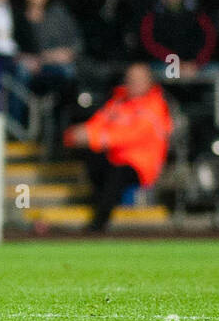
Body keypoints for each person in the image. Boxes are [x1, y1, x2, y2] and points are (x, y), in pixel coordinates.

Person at [63, 63, 172, 231]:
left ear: (149, 82)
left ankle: (99, 223)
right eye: (130, 79)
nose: (133, 84)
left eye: (138, 80)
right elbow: (98, 123)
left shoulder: (155, 105)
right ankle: (98, 205)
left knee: (117, 172)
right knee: (91, 156)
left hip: (141, 165)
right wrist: (78, 134)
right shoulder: (118, 102)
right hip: (115, 158)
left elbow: (133, 135)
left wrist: (94, 138)